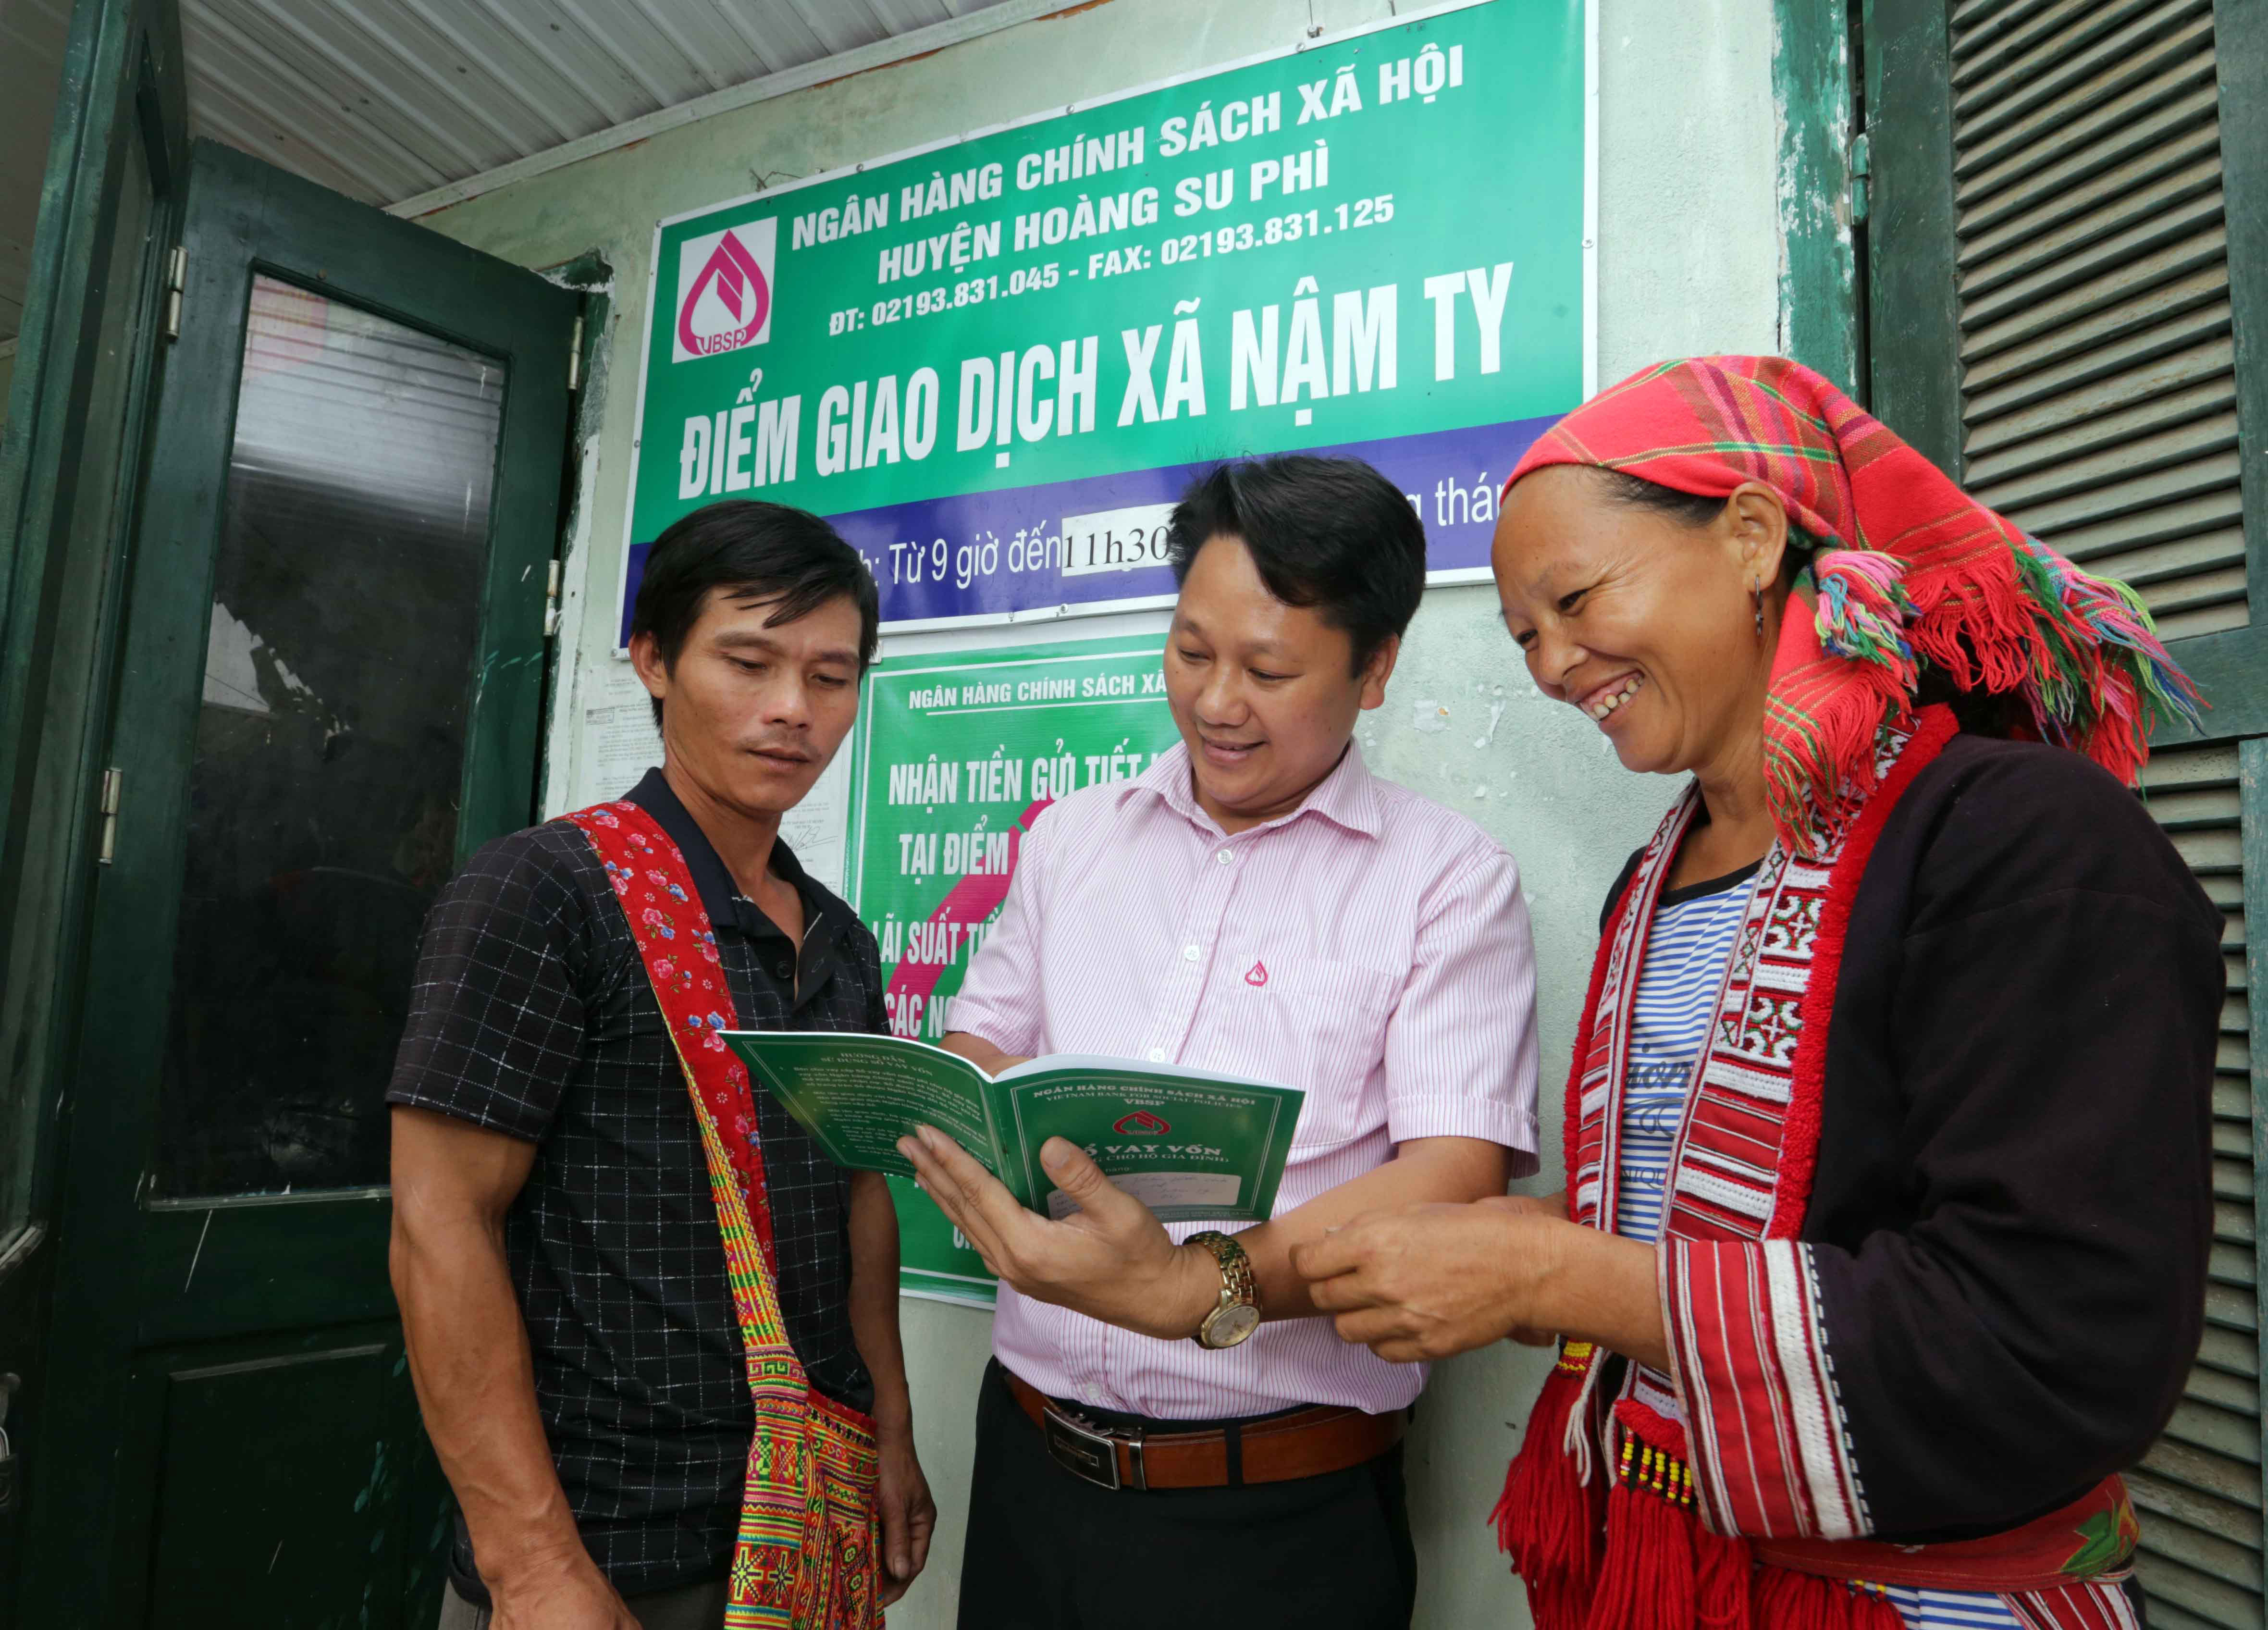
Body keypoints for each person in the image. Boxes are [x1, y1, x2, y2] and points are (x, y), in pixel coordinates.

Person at [1291, 356, 2220, 1628]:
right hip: (1672, 1571)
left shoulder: (2031, 845)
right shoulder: (1655, 881)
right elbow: (1771, 1194)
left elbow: (2056, 1336)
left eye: (1574, 599)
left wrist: (1558, 1278)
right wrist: (1488, 1256)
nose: (1556, 665)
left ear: (1748, 535)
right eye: (1525, 635)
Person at [898, 454, 1541, 1630]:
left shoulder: (1445, 882)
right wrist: (975, 1103)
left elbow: (1451, 1182)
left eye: (1268, 668)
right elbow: (983, 1036)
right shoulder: (1074, 838)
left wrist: (1193, 1285)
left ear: (1376, 666)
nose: (1214, 701)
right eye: (1191, 651)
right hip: (1030, 1463)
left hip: (1275, 1521)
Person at [388, 501, 933, 1630]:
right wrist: (531, 1564)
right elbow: (439, 1222)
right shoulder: (543, 892)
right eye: (748, 661)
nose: (793, 709)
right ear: (652, 657)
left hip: (802, 1526)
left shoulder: (837, 939)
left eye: (831, 677)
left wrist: (889, 1427)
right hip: (604, 1551)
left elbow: (859, 1197)